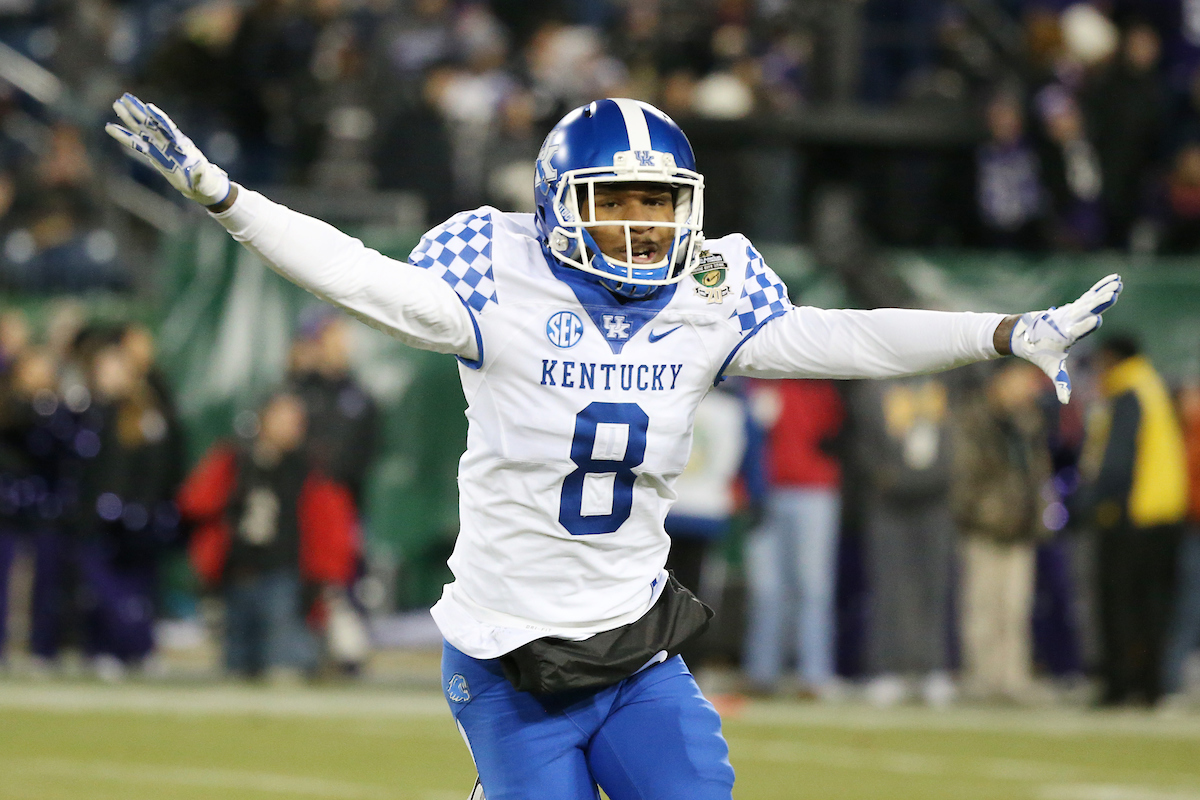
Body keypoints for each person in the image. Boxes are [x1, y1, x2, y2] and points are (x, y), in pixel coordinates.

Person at [107, 93, 1121, 800]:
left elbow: (844, 335)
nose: (641, 227)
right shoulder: (496, 273)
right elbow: (359, 276)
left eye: (658, 201)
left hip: (635, 642)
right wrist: (224, 197)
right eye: (616, 200)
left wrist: (997, 331)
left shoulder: (713, 289)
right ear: (557, 202)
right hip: (509, 647)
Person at [177, 391, 360, 680]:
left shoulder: (310, 469)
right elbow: (195, 501)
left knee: (283, 665)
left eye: (294, 421)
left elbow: (329, 526)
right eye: (281, 418)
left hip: (283, 576)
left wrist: (323, 578)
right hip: (236, 573)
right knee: (235, 666)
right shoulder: (236, 459)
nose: (288, 427)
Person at [1078, 336, 1187, 706]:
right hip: (1163, 512)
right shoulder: (1151, 385)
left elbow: (1117, 462)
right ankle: (1151, 685)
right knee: (1153, 605)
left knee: (1121, 604)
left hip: (1132, 515)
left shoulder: (1127, 392)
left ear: (1112, 358)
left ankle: (1121, 685)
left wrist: (1088, 505)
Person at [852, 374, 958, 707]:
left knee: (934, 587)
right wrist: (882, 475)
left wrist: (943, 477)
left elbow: (956, 440)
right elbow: (860, 441)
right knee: (889, 587)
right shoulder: (875, 387)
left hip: (935, 503)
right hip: (889, 504)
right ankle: (888, 670)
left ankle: (933, 668)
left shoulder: (943, 386)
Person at [951, 362, 1053, 703]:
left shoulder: (1028, 421)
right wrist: (984, 512)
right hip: (986, 526)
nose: (1025, 388)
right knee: (983, 607)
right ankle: (982, 678)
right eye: (1019, 379)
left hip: (1020, 527)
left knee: (1015, 608)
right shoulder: (976, 419)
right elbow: (965, 477)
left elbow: (1037, 473)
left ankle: (1012, 678)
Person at [742, 378, 844, 699]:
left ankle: (813, 676)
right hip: (763, 493)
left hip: (814, 490)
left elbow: (840, 429)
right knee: (766, 589)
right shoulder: (755, 379)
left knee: (812, 587)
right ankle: (761, 674)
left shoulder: (820, 378)